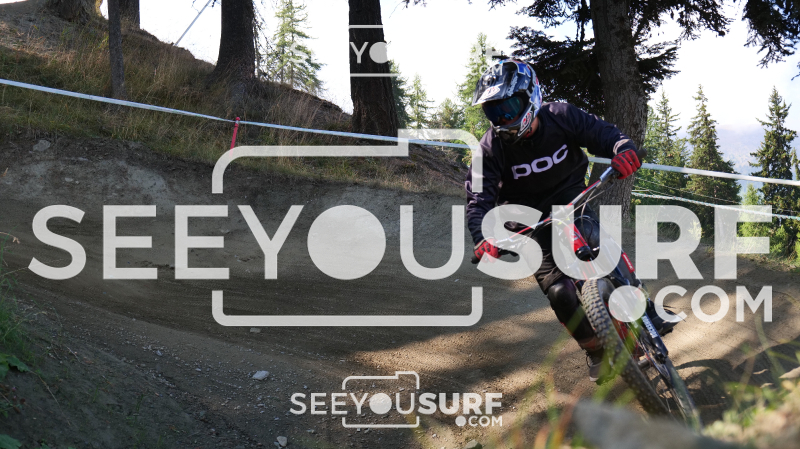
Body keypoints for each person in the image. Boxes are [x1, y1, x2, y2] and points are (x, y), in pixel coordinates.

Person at [466, 59, 677, 383]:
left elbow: (603, 133)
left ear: (530, 96)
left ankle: (645, 309)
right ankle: (595, 350)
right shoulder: (490, 149)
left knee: (593, 238)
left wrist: (623, 149)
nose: (503, 118)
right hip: (529, 224)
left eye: (509, 107)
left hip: (571, 200)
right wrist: (483, 238)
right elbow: (478, 198)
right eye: (494, 112)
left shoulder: (561, 116)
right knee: (559, 292)